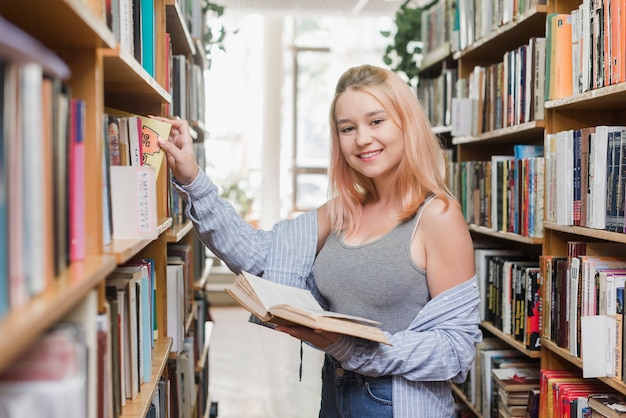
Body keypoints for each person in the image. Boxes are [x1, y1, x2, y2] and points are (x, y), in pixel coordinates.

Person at [153, 64, 482, 417]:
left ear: (406, 124)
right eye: (347, 128)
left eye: (376, 121)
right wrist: (193, 180)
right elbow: (259, 257)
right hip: (335, 393)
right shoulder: (342, 210)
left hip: (397, 403)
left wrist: (354, 351)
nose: (362, 139)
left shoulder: (438, 217)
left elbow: (456, 349)